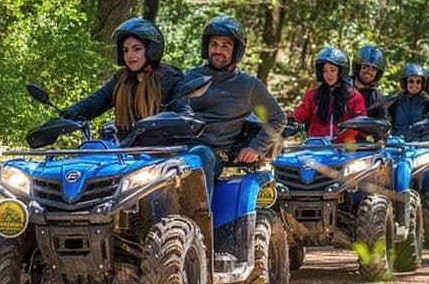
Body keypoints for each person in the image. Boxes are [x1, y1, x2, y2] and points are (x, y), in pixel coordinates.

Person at [184, 15, 287, 198]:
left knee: (200, 156)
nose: (218, 51)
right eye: (214, 44)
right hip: (178, 149)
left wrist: (256, 147)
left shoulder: (248, 86)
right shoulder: (189, 77)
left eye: (226, 46)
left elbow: (277, 118)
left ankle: (198, 215)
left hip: (212, 155)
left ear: (236, 51)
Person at [62, 17, 190, 139]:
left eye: (137, 49)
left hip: (162, 150)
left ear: (151, 50)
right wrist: (67, 116)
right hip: (126, 150)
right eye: (125, 50)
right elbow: (93, 103)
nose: (130, 55)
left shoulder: (170, 78)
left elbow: (184, 113)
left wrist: (174, 121)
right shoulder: (121, 80)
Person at [291, 47, 366, 142]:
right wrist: (287, 122)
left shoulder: (354, 97)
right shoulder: (312, 95)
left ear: (341, 71)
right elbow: (299, 115)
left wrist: (366, 127)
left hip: (343, 147)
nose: (328, 74)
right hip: (316, 146)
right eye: (325, 71)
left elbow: (362, 123)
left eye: (332, 70)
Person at [387, 63, 429, 139]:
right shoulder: (395, 101)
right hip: (396, 142)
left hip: (419, 144)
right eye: (411, 81)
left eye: (418, 82)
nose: (414, 85)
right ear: (405, 82)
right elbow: (387, 123)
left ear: (422, 84)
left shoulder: (427, 103)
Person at [351, 45, 387, 119]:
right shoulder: (344, 89)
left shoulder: (377, 98)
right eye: (365, 67)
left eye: (373, 69)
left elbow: (382, 123)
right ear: (358, 67)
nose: (369, 72)